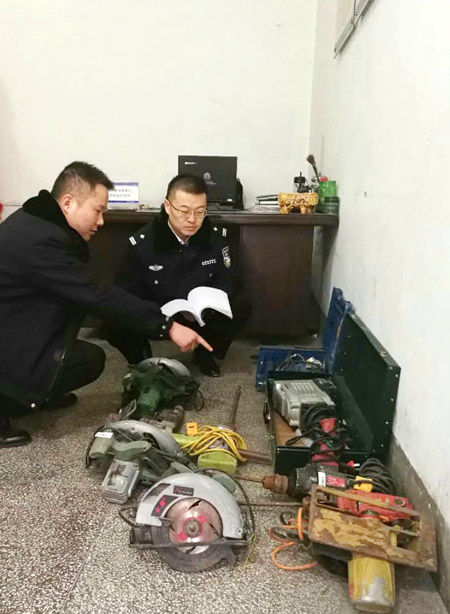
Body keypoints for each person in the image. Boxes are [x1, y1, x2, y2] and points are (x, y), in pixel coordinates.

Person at [0, 162, 211, 448]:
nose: (101, 221)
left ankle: (35, 393)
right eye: (97, 210)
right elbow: (96, 294)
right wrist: (167, 325)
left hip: (13, 322)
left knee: (85, 357)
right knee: (83, 360)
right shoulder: (40, 242)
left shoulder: (38, 222)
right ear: (68, 203)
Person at [107, 173, 251, 377]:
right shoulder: (144, 243)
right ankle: (142, 358)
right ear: (167, 206)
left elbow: (227, 280)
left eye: (200, 212)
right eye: (184, 211)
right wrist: (158, 319)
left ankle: (206, 352)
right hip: (158, 311)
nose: (192, 219)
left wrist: (207, 307)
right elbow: (125, 293)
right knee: (114, 319)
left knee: (240, 303)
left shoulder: (215, 238)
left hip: (200, 313)